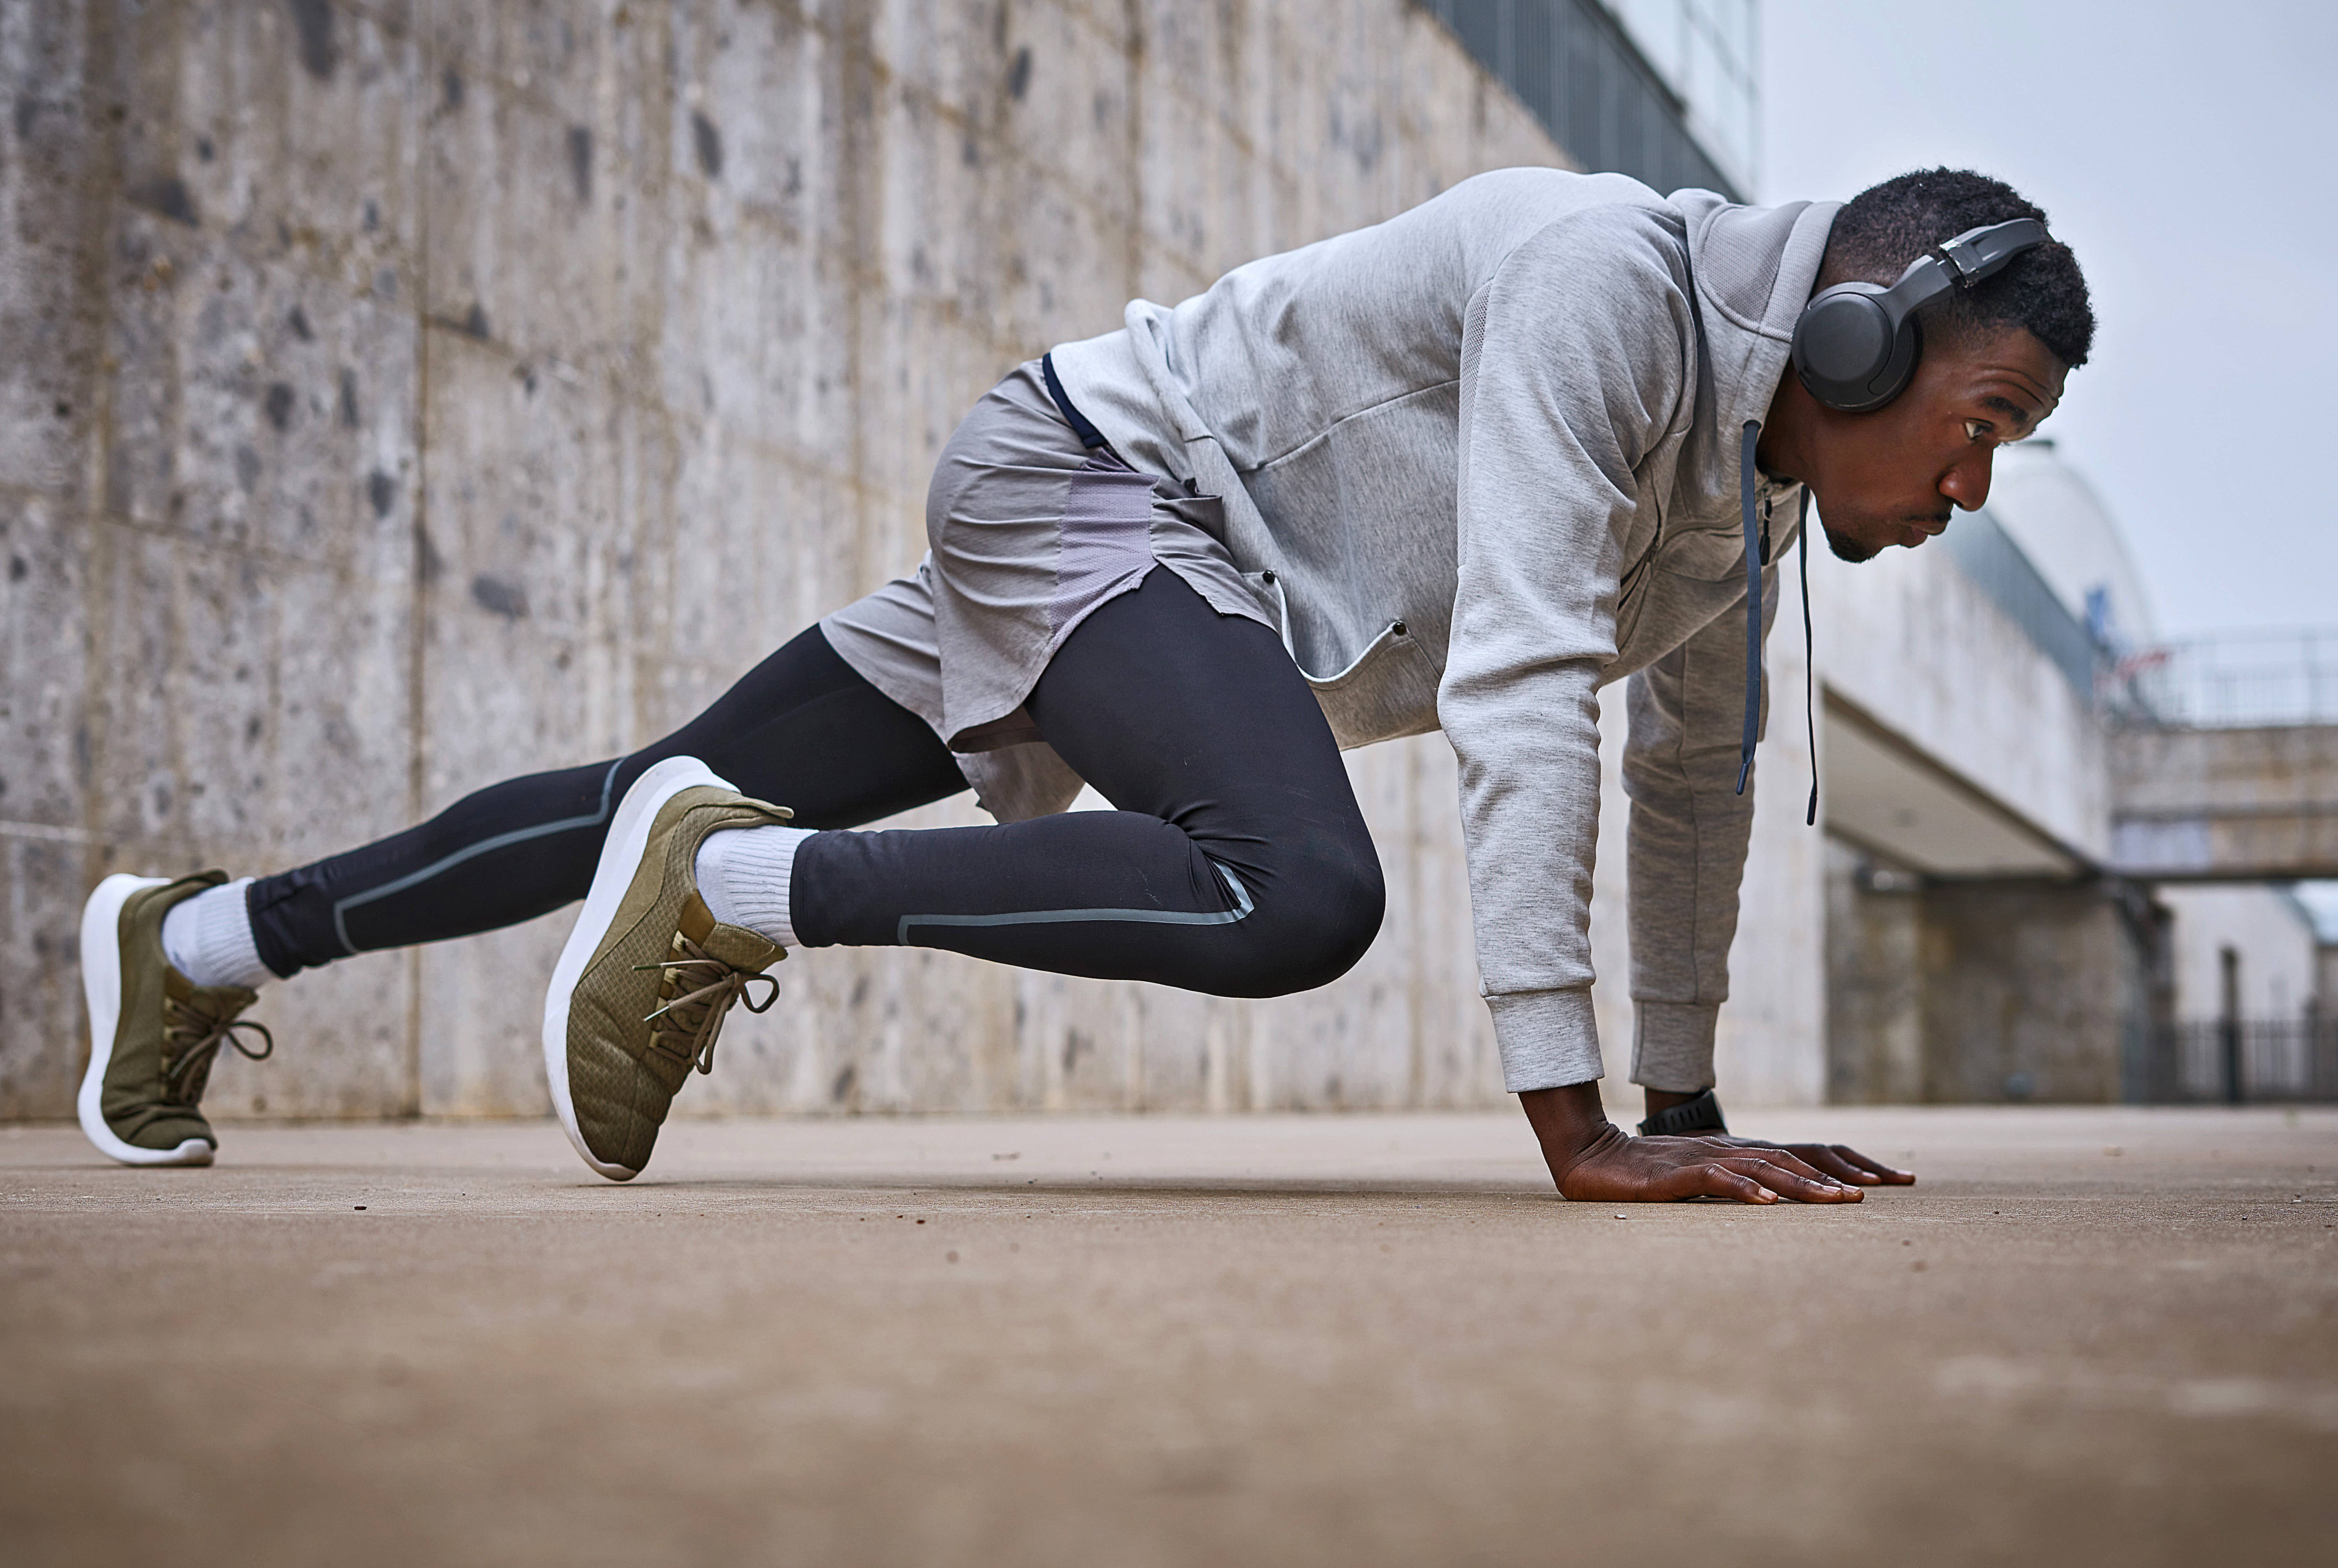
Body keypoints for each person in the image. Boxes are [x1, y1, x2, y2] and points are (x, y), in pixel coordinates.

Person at [77, 165, 2091, 1198]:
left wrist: (1687, 1103)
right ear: (1849, 337)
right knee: (1290, 890)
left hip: (1157, 554)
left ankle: (198, 945)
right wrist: (1573, 1128)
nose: (1970, 479)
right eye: (1977, 415)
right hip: (1098, 490)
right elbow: (1523, 688)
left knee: (652, 779)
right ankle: (734, 889)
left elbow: (1684, 785)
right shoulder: (1603, 286)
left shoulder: (1728, 504)